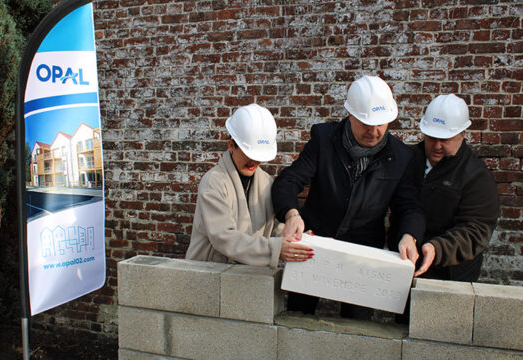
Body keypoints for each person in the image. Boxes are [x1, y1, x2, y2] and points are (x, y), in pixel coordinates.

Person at [271, 75, 425, 317]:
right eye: (366, 123)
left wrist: (409, 235)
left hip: (363, 255)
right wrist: (291, 214)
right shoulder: (324, 139)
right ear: (351, 115)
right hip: (315, 246)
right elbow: (289, 180)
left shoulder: (402, 157)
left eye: (382, 124)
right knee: (298, 317)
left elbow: (410, 206)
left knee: (358, 327)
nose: (375, 132)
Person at [186, 103, 314, 269]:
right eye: (250, 155)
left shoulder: (266, 182)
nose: (255, 162)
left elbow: (275, 228)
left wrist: (300, 240)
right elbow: (223, 237)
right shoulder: (214, 182)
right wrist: (274, 249)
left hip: (247, 277)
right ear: (231, 146)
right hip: (208, 276)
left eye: (259, 156)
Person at [405, 94, 500, 281]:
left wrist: (437, 248)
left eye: (445, 139)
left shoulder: (476, 176)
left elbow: (476, 230)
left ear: (462, 134)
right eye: (431, 138)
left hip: (450, 273)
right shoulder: (409, 159)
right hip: (406, 263)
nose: (437, 146)